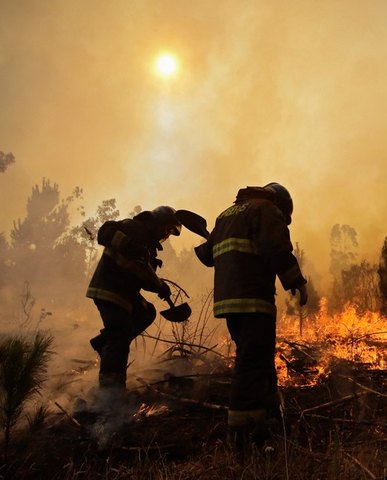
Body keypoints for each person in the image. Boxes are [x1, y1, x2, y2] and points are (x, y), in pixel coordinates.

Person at [194, 182, 308, 451]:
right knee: (250, 363)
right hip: (253, 298)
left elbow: (206, 255)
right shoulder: (266, 209)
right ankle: (241, 433)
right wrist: (295, 279)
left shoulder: (226, 215)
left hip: (228, 302)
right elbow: (276, 248)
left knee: (258, 356)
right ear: (281, 204)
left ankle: (268, 417)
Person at [86, 206, 181, 392]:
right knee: (119, 336)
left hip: (125, 293)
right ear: (157, 223)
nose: (167, 235)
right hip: (110, 289)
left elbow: (141, 273)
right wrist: (129, 246)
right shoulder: (133, 228)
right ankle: (110, 391)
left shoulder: (146, 244)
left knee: (147, 312)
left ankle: (102, 341)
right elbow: (104, 232)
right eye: (167, 229)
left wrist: (159, 285)